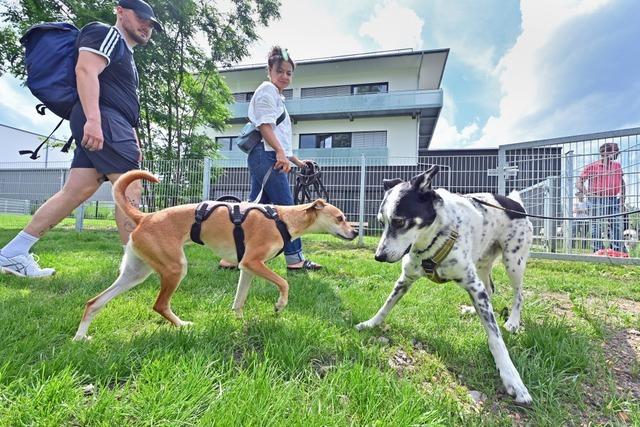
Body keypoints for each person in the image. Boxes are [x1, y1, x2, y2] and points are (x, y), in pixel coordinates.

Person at [0, 0, 163, 278]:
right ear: (120, 11)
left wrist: (132, 136)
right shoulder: (106, 34)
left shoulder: (124, 52)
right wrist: (94, 120)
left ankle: (13, 253)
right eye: (142, 18)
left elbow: (122, 100)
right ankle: (134, 267)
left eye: (151, 24)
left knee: (76, 190)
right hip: (103, 119)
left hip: (110, 121)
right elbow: (85, 71)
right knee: (129, 188)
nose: (146, 26)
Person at [219, 46, 321, 271]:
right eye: (280, 71)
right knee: (288, 209)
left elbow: (280, 137)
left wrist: (298, 162)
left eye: (289, 73)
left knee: (255, 212)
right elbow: (265, 126)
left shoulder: (277, 97)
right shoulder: (266, 90)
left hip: (269, 155)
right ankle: (295, 259)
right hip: (268, 157)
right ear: (270, 71)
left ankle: (231, 257)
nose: (285, 76)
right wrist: (280, 154)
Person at [576, 142, 626, 253]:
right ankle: (598, 250)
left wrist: (622, 200)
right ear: (605, 152)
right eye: (615, 151)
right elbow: (579, 182)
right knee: (596, 226)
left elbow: (622, 183)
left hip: (613, 199)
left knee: (617, 225)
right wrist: (587, 193)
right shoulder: (592, 166)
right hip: (596, 200)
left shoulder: (617, 166)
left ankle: (617, 250)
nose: (618, 153)